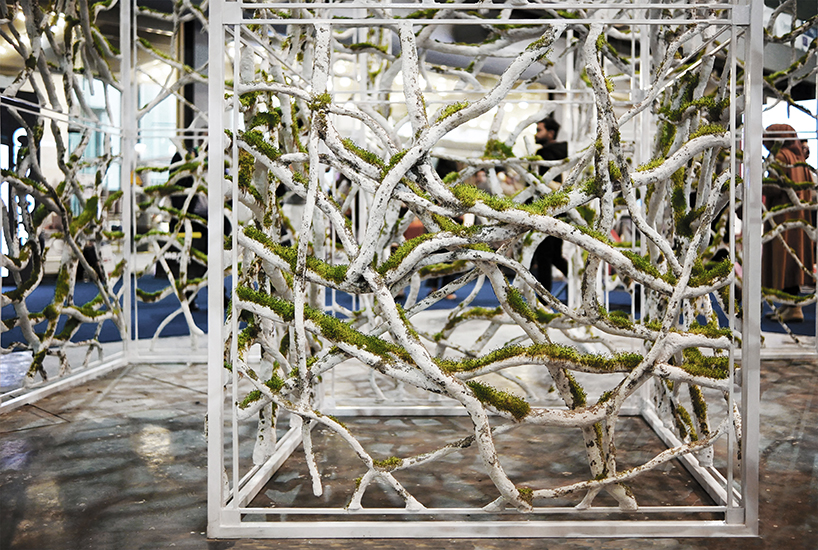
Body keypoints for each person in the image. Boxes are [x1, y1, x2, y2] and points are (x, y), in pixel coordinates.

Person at [762, 124, 815, 322]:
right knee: (793, 261)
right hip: (799, 218)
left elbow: (775, 187)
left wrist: (759, 184)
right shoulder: (799, 158)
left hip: (782, 217)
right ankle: (789, 305)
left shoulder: (781, 156)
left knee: (784, 260)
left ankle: (793, 308)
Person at [531, 117, 569, 297]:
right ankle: (579, 281)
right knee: (553, 255)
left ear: (551, 133)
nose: (536, 134)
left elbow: (539, 183)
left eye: (539, 130)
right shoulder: (564, 152)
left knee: (544, 257)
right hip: (560, 208)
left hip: (545, 209)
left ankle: (543, 300)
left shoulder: (544, 154)